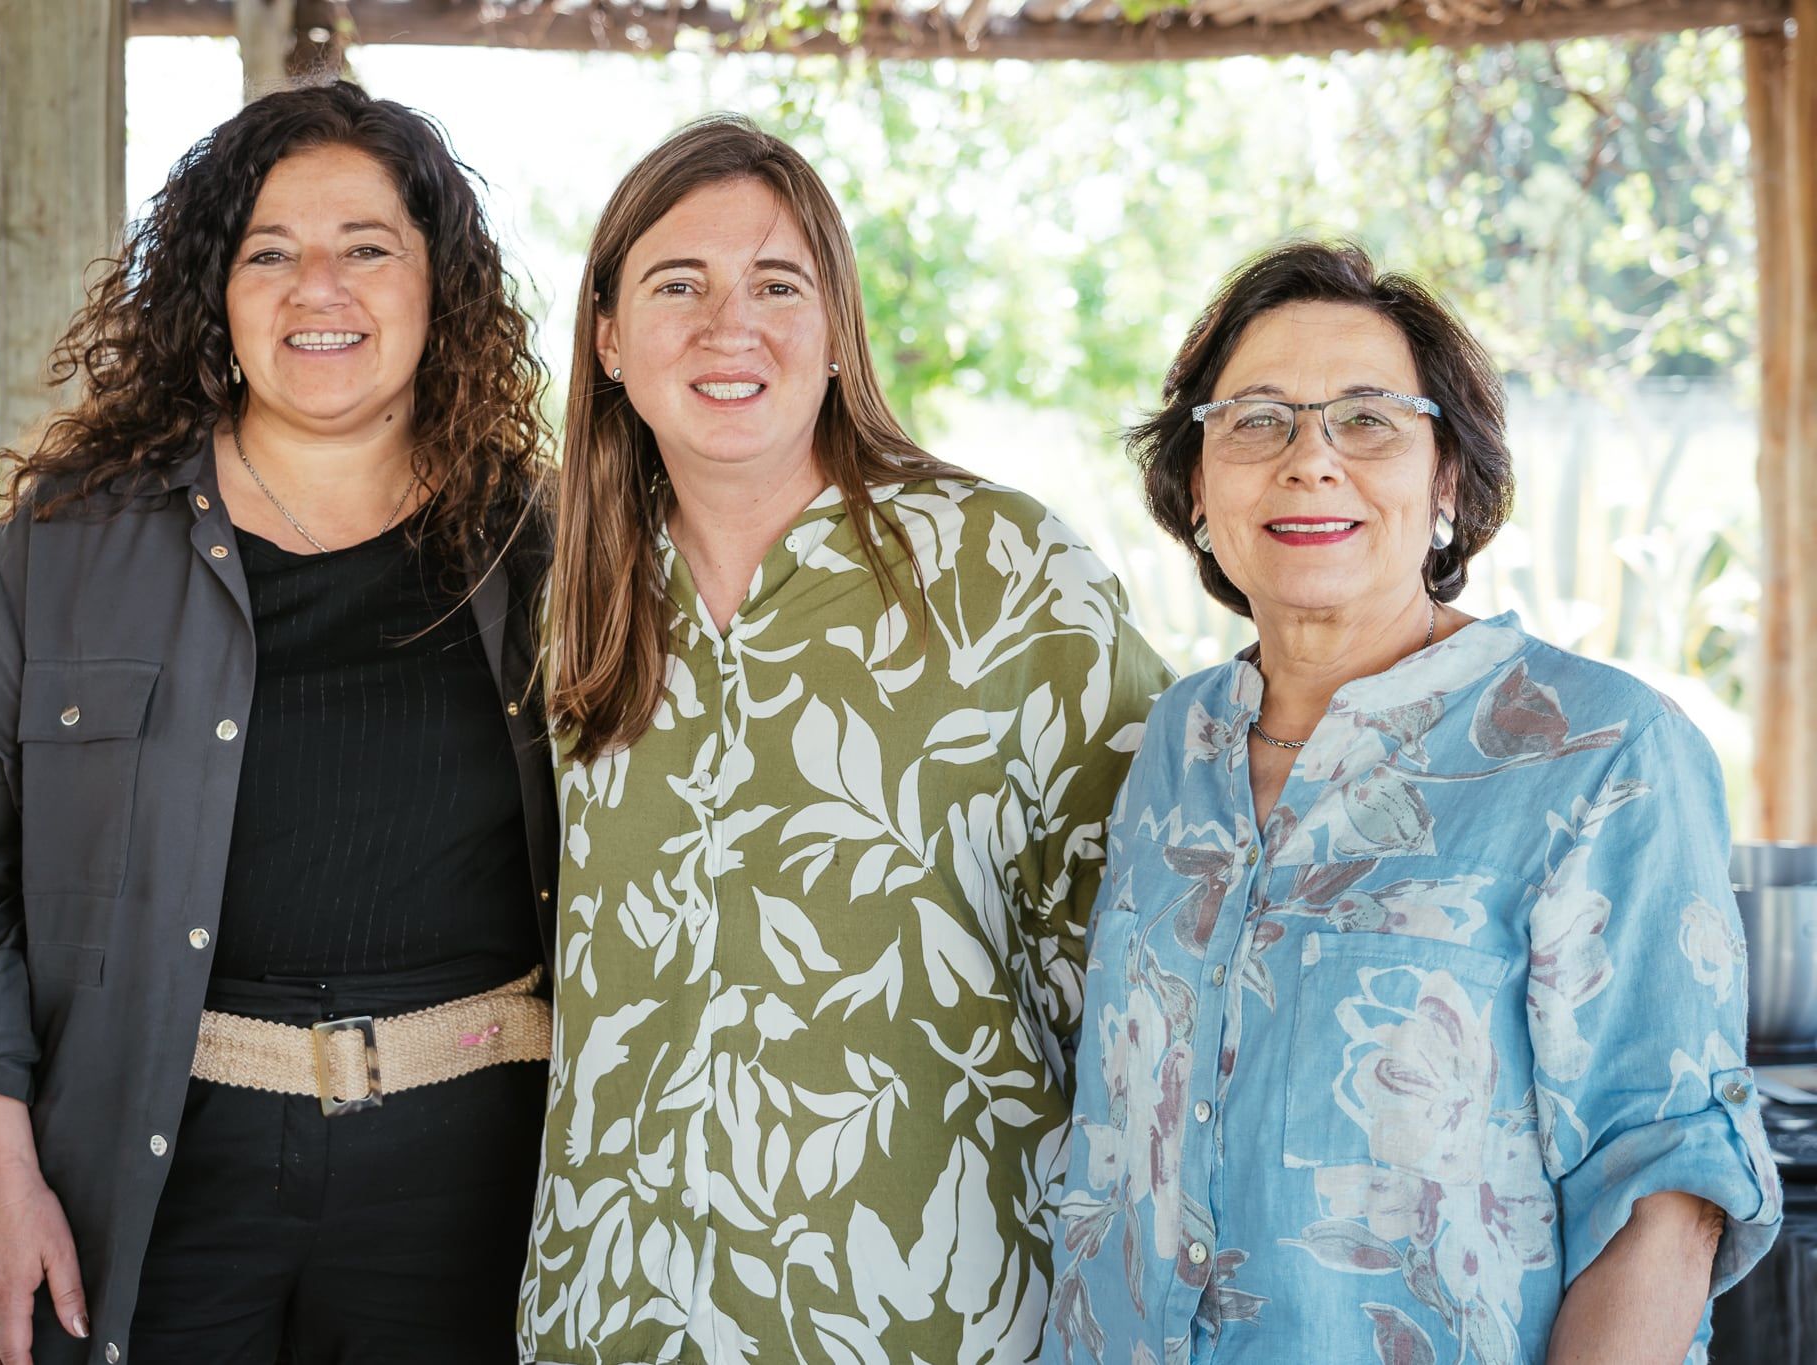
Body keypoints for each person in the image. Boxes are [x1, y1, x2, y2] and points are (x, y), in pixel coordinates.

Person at [0, 82, 556, 1365]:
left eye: (367, 248)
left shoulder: (544, 550)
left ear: (439, 288)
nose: (320, 287)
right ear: (218, 293)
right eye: (269, 253)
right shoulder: (66, 546)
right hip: (153, 1175)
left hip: (476, 1185)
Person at [1047, 240, 1781, 1364]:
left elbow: (1664, 1190)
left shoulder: (1601, 754)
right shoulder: (1169, 748)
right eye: (1254, 420)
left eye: (1367, 419)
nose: (1309, 461)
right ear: (1195, 487)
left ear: (1445, 481)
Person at [522, 115, 1174, 1365]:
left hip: (933, 1311)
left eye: (778, 284)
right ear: (607, 338)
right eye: (679, 285)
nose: (731, 326)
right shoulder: (570, 595)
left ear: (834, 333)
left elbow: (1141, 964)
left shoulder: (1000, 572)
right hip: (611, 1313)